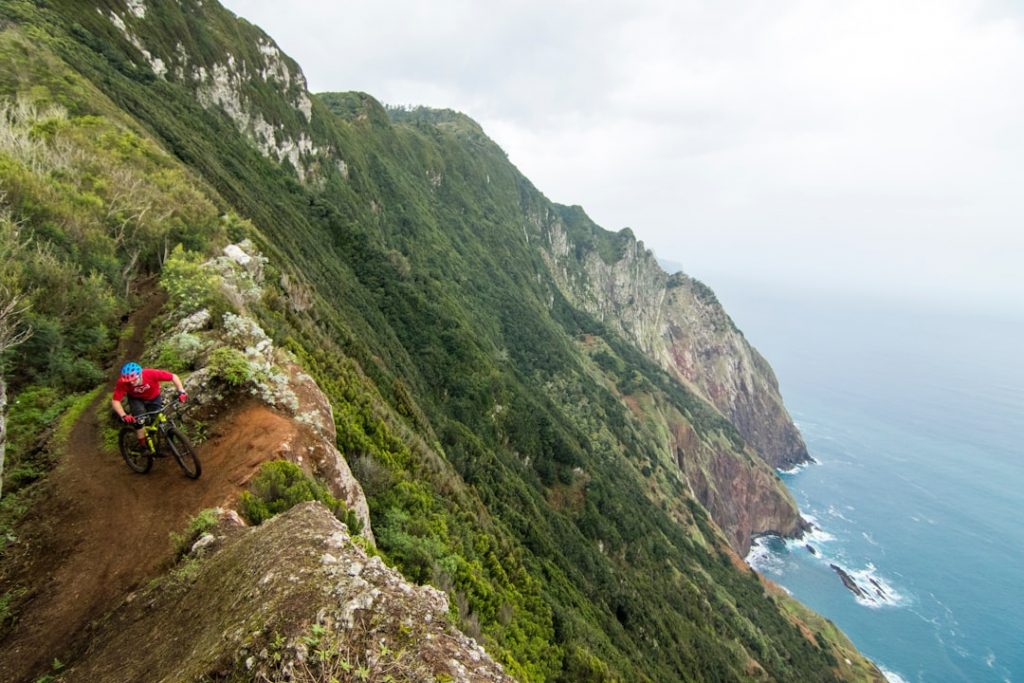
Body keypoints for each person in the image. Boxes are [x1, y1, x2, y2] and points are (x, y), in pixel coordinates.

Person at [112, 362, 187, 451]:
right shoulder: (122, 383)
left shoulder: (151, 373)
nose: (131, 383)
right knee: (139, 420)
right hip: (136, 399)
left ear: (140, 375)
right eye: (129, 381)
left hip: (154, 397)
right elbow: (115, 401)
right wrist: (123, 415)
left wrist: (181, 391)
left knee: (157, 418)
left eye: (134, 379)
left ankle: (160, 438)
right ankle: (143, 446)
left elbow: (173, 377)